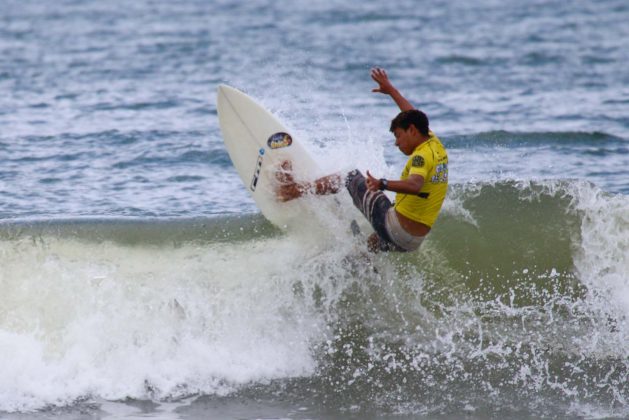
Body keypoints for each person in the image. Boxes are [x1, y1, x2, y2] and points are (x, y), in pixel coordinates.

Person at [275, 68, 448, 252]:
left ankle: (292, 191)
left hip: (397, 230)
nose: (397, 143)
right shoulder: (433, 143)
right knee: (376, 236)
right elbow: (412, 113)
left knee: (349, 176)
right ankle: (362, 265)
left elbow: (415, 185)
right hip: (412, 241)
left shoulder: (421, 156)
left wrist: (381, 184)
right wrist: (391, 91)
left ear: (412, 130)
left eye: (398, 136)